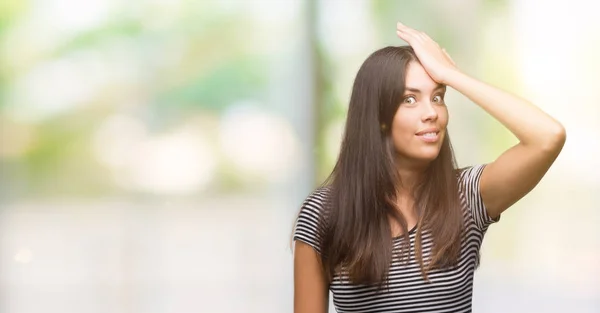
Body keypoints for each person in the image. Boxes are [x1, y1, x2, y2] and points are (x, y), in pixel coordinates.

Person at [292, 22, 566, 313]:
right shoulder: (322, 214)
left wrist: (453, 75)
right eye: (410, 99)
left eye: (438, 97)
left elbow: (547, 137)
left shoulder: (467, 197)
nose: (431, 113)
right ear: (378, 117)